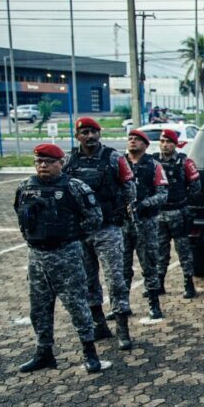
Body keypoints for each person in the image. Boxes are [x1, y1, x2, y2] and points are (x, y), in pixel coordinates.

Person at [14, 143, 105, 374]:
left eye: (48, 162)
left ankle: (90, 352)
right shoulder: (25, 187)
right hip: (37, 257)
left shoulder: (75, 187)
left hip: (67, 255)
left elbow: (95, 218)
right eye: (39, 162)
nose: (42, 166)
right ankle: (44, 353)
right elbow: (20, 216)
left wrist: (71, 234)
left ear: (60, 163)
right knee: (39, 308)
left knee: (77, 305)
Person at [64, 116, 136, 350]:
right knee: (87, 281)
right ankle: (99, 324)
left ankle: (122, 328)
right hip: (81, 231)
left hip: (108, 229)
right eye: (84, 132)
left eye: (94, 132)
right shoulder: (70, 160)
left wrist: (124, 215)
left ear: (100, 134)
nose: (90, 136)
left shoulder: (114, 157)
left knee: (115, 279)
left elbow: (129, 188)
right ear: (77, 136)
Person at [122, 130, 169, 319]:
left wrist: (143, 204)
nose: (133, 142)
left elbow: (163, 194)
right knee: (122, 268)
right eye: (130, 139)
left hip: (146, 223)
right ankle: (122, 305)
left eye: (137, 140)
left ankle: (154, 304)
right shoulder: (119, 163)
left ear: (145, 145)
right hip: (122, 224)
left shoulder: (153, 165)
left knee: (149, 265)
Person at [156, 128, 201, 299]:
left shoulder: (184, 162)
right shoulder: (154, 162)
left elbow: (195, 187)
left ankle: (188, 284)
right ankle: (159, 283)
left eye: (169, 142)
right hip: (159, 213)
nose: (165, 145)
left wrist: (185, 204)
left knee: (184, 251)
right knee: (160, 251)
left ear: (175, 144)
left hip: (178, 212)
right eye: (162, 141)